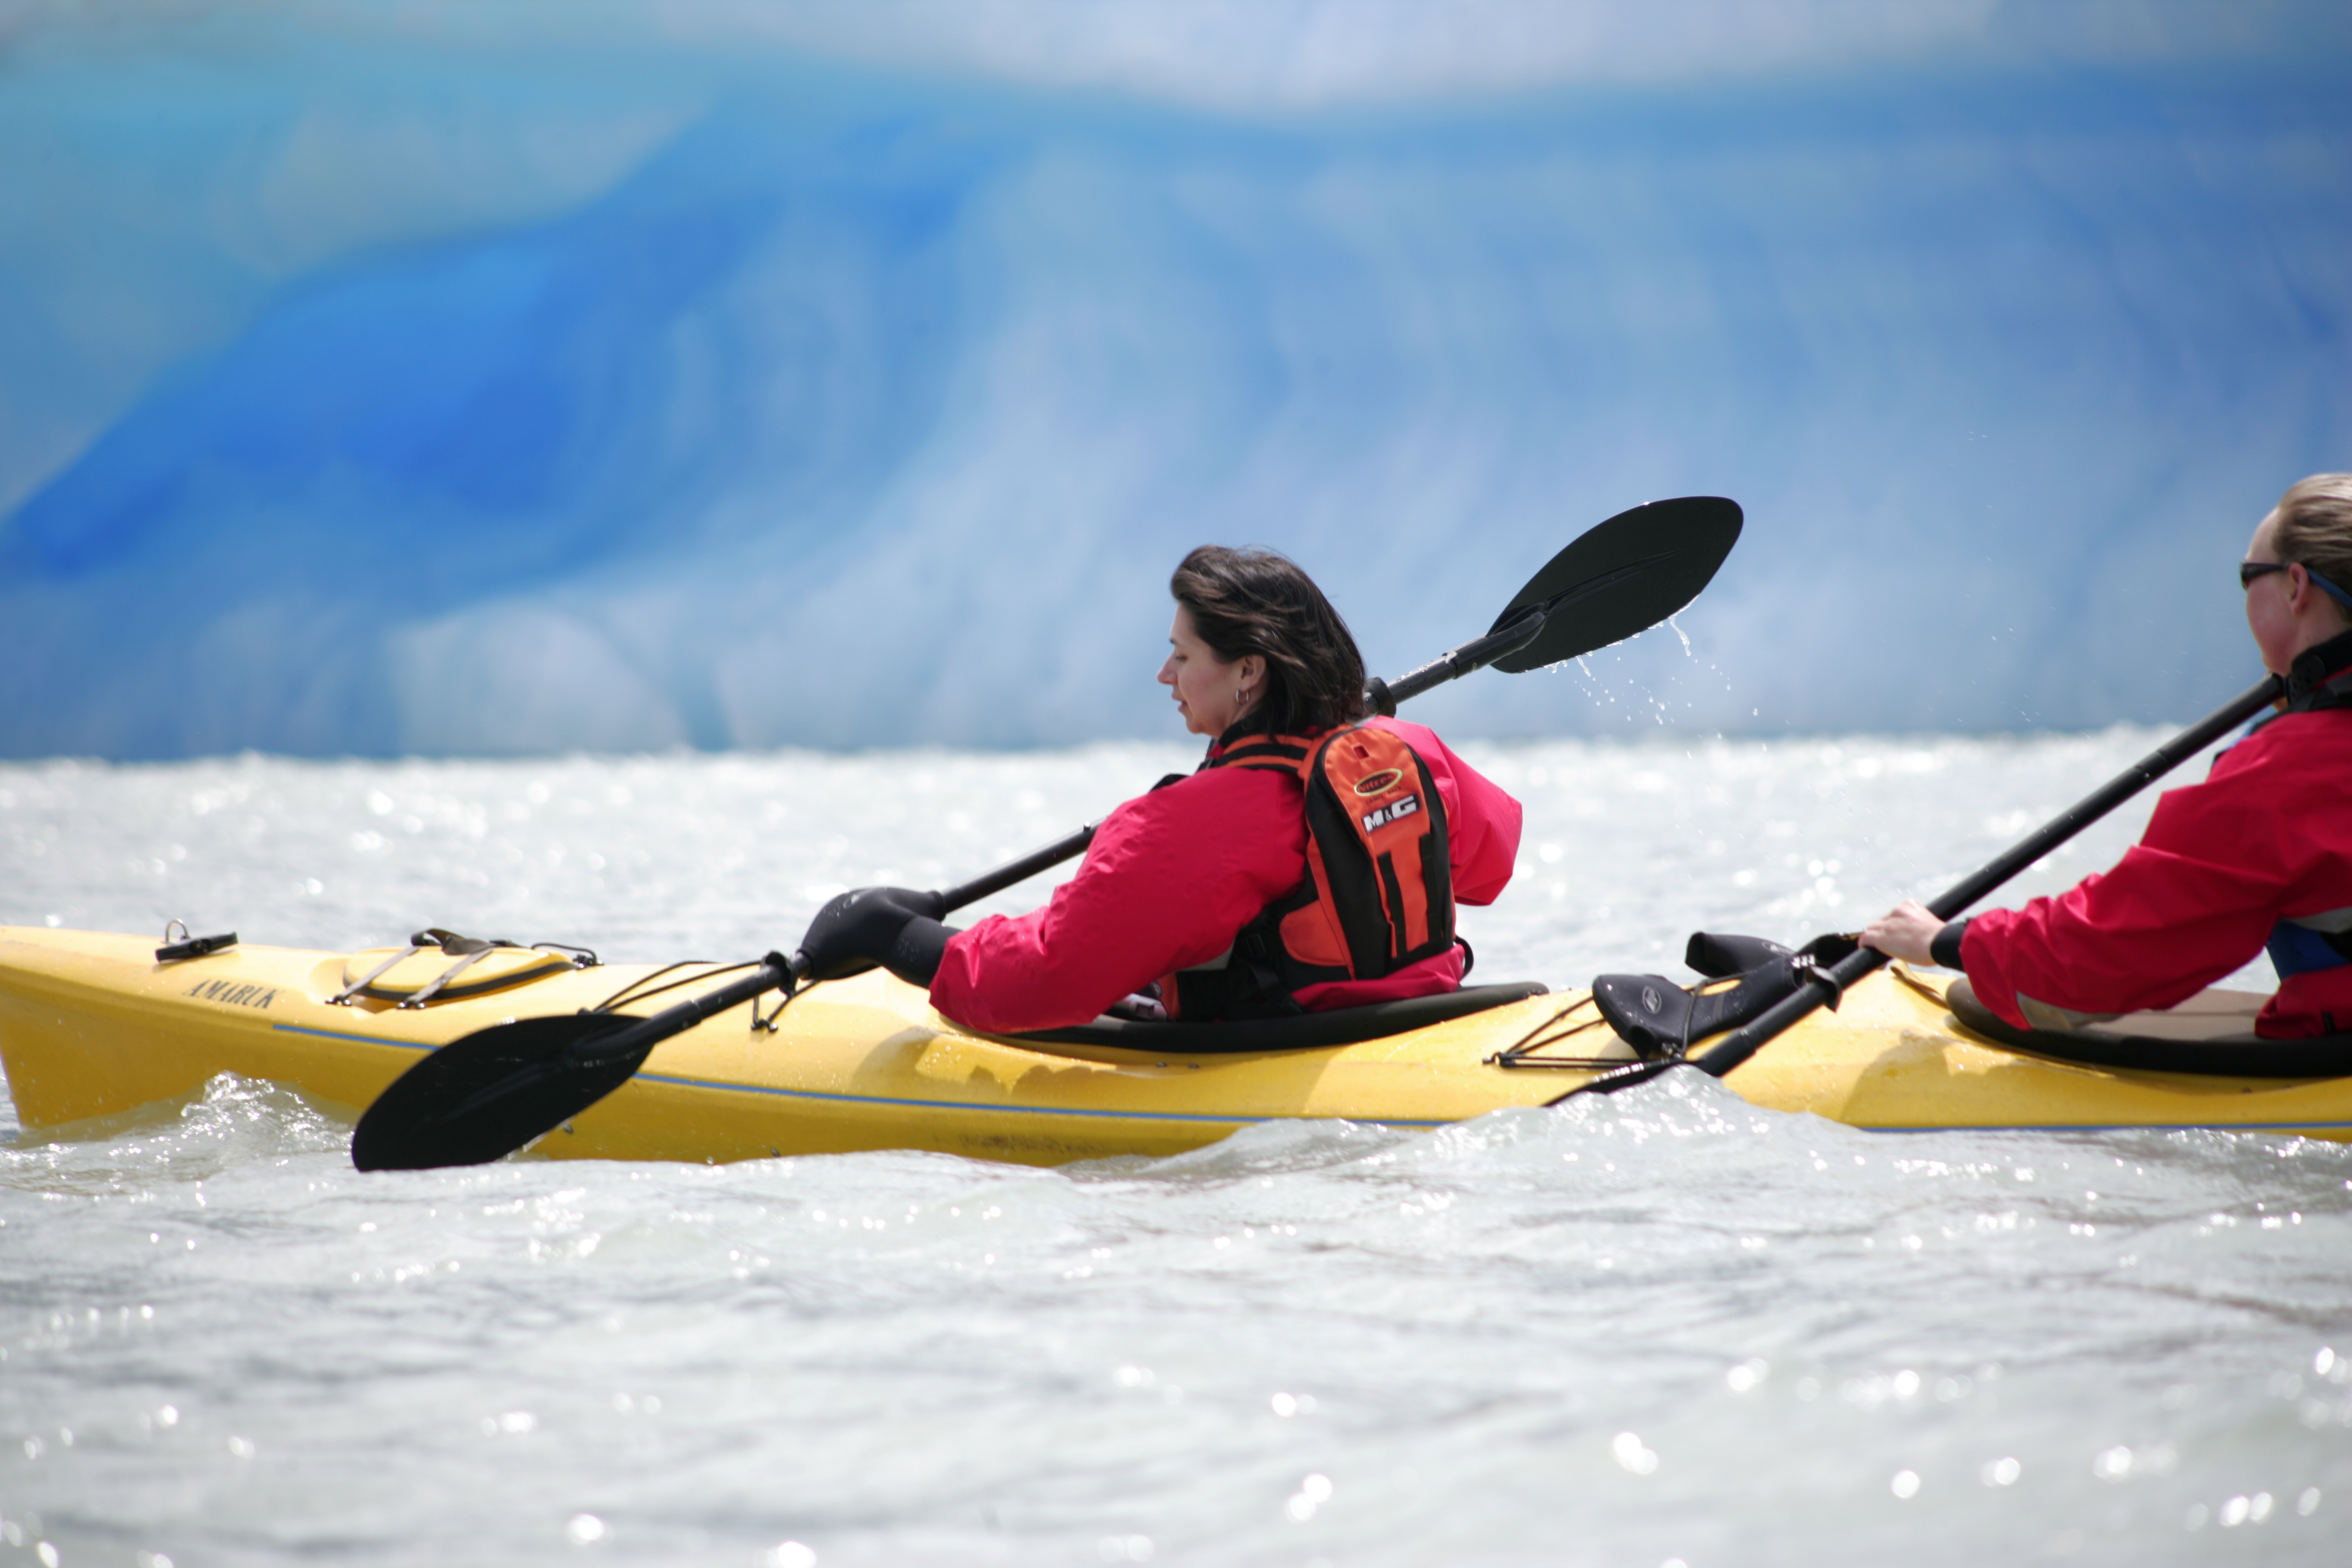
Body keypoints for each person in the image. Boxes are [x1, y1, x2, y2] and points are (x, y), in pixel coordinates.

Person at [795, 546, 1525, 1034]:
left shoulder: (1189, 823)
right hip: (1422, 1024)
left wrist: (903, 940)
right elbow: (1488, 865)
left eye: (1182, 655)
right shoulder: (1410, 752)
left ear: (1250, 673)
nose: (1164, 676)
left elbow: (1050, 978)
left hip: (1294, 1049)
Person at [1861, 474, 2352, 1039]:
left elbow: (2116, 950)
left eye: (2248, 577)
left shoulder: (2280, 774)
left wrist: (1948, 942)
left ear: (2296, 588)